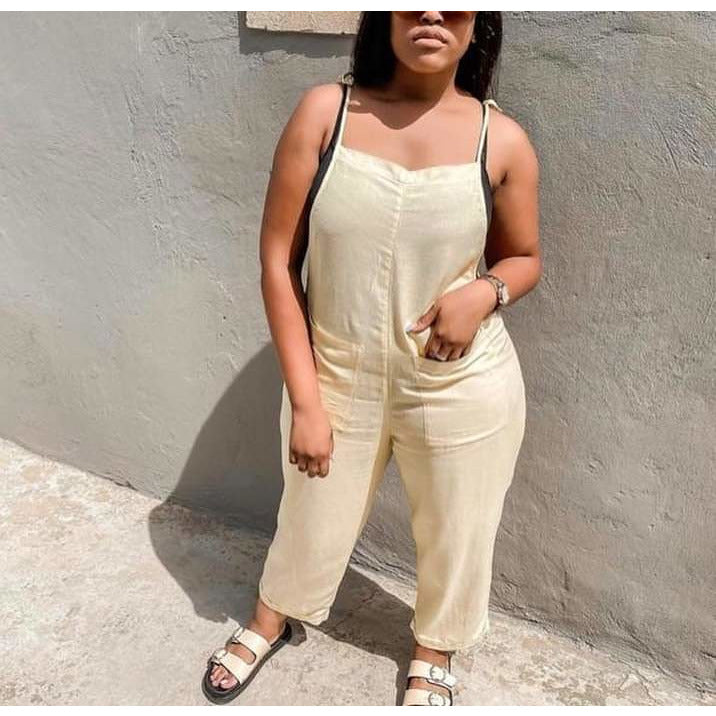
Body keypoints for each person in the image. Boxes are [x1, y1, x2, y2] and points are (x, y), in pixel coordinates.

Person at [202, 10, 542, 706]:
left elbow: (526, 257)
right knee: (311, 512)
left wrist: (486, 292)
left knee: (459, 526)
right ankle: (271, 616)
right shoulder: (325, 113)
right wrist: (306, 401)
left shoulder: (501, 140)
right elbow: (278, 262)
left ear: (478, 23)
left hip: (460, 382)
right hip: (336, 372)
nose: (432, 13)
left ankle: (435, 648)